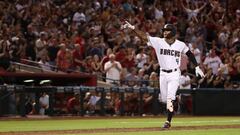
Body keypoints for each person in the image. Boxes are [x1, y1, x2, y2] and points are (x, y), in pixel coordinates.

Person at [122, 21, 205, 128]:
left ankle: (168, 121)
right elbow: (143, 36)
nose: (165, 32)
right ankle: (175, 99)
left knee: (170, 99)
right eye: (164, 31)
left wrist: (197, 66)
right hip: (163, 74)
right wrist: (133, 28)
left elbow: (189, 54)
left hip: (175, 73)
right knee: (164, 99)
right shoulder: (158, 41)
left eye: (167, 30)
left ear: (173, 32)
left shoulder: (180, 44)